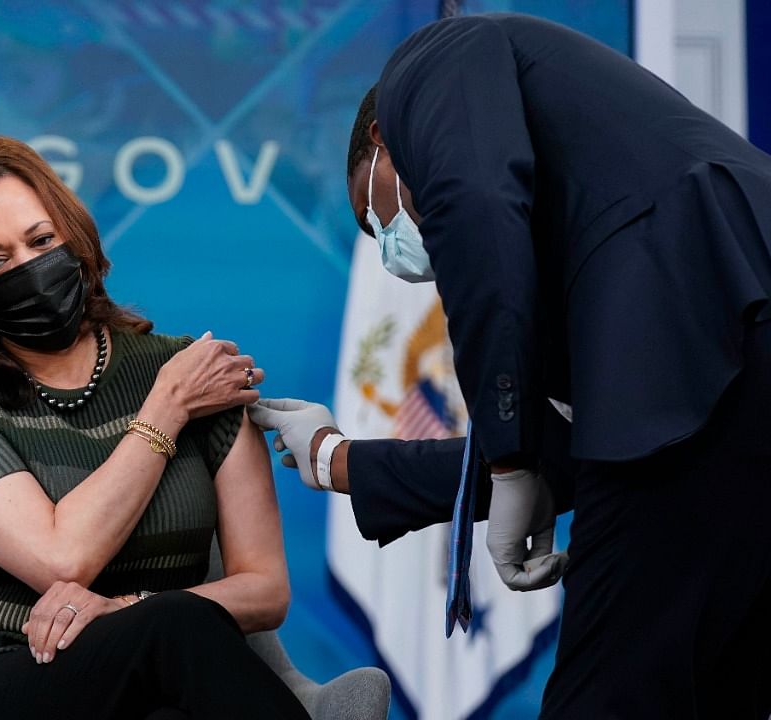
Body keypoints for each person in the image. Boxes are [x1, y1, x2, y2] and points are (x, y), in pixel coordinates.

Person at [251, 13, 771, 719]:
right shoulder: (579, 292)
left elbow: (478, 206)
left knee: (605, 696)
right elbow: (581, 457)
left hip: (720, 316)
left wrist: (508, 459)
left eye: (370, 217)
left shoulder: (430, 62)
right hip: (728, 378)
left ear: (381, 141)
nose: (389, 249)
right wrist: (336, 458)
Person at [0, 136, 311, 720]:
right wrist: (164, 409)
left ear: (75, 236)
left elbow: (265, 591)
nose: (29, 269)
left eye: (41, 242)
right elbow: (63, 561)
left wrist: (133, 609)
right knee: (174, 627)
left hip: (151, 678)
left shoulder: (195, 375)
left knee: (171, 661)